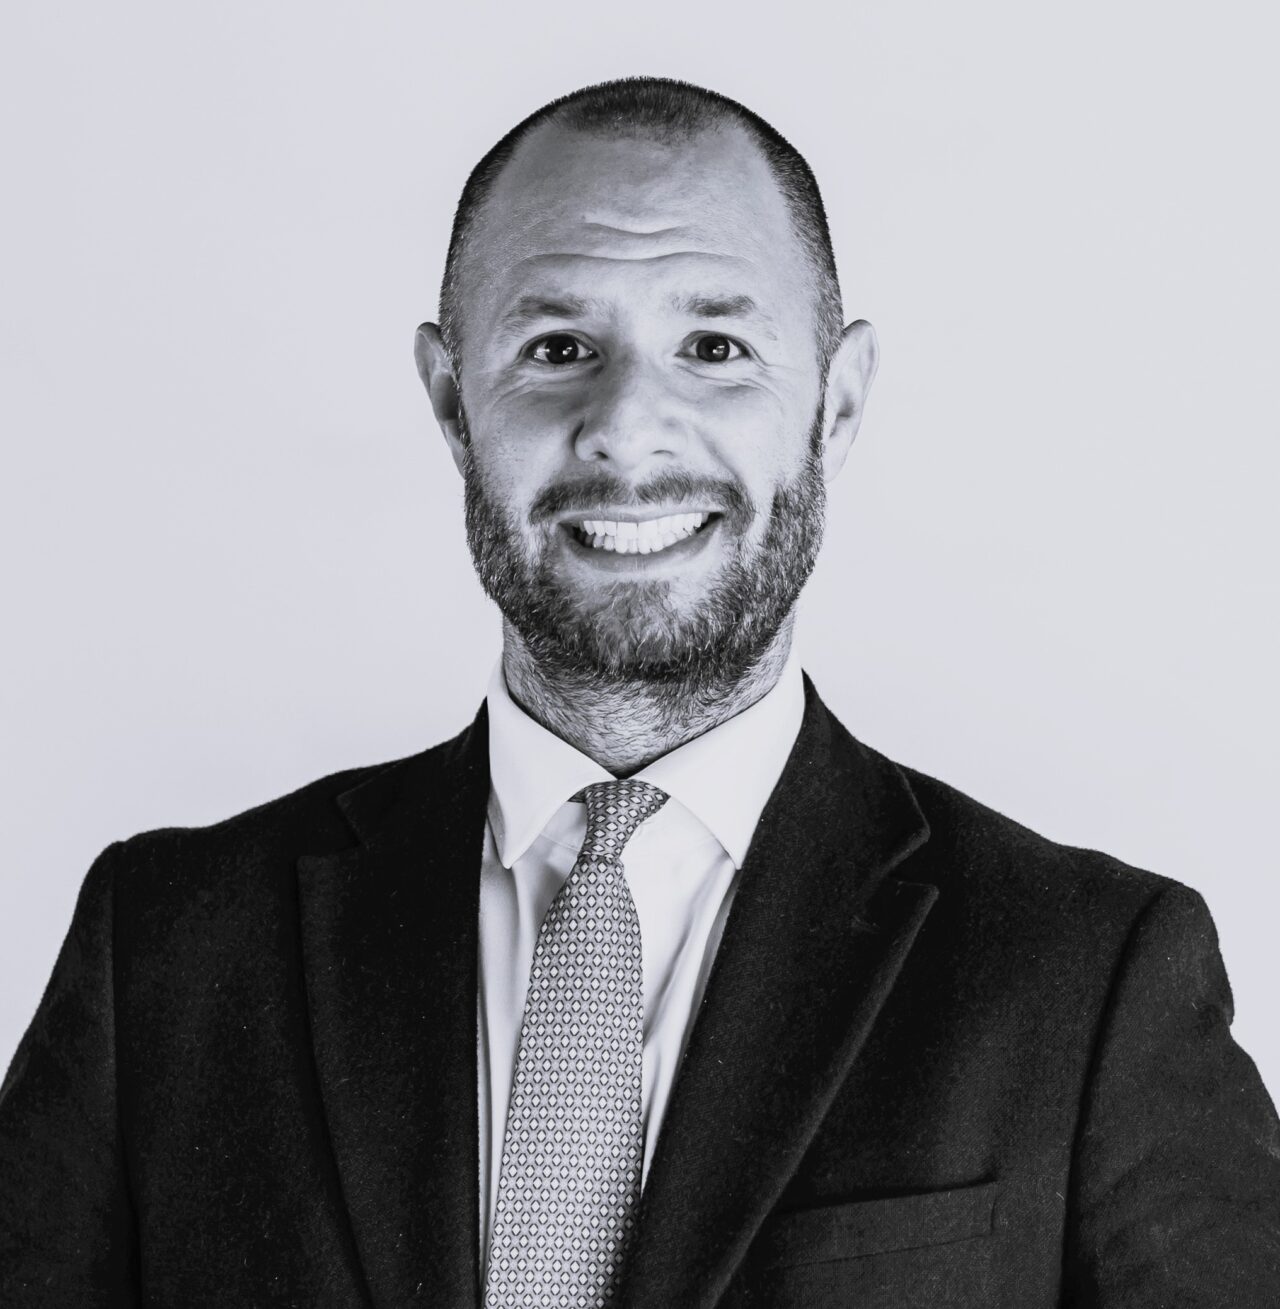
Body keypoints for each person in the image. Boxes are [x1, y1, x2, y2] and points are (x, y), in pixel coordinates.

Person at [1, 75, 1277, 1309]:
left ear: (835, 404)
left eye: (714, 348)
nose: (625, 426)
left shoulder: (1089, 975)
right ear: (450, 400)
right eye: (556, 347)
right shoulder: (165, 946)